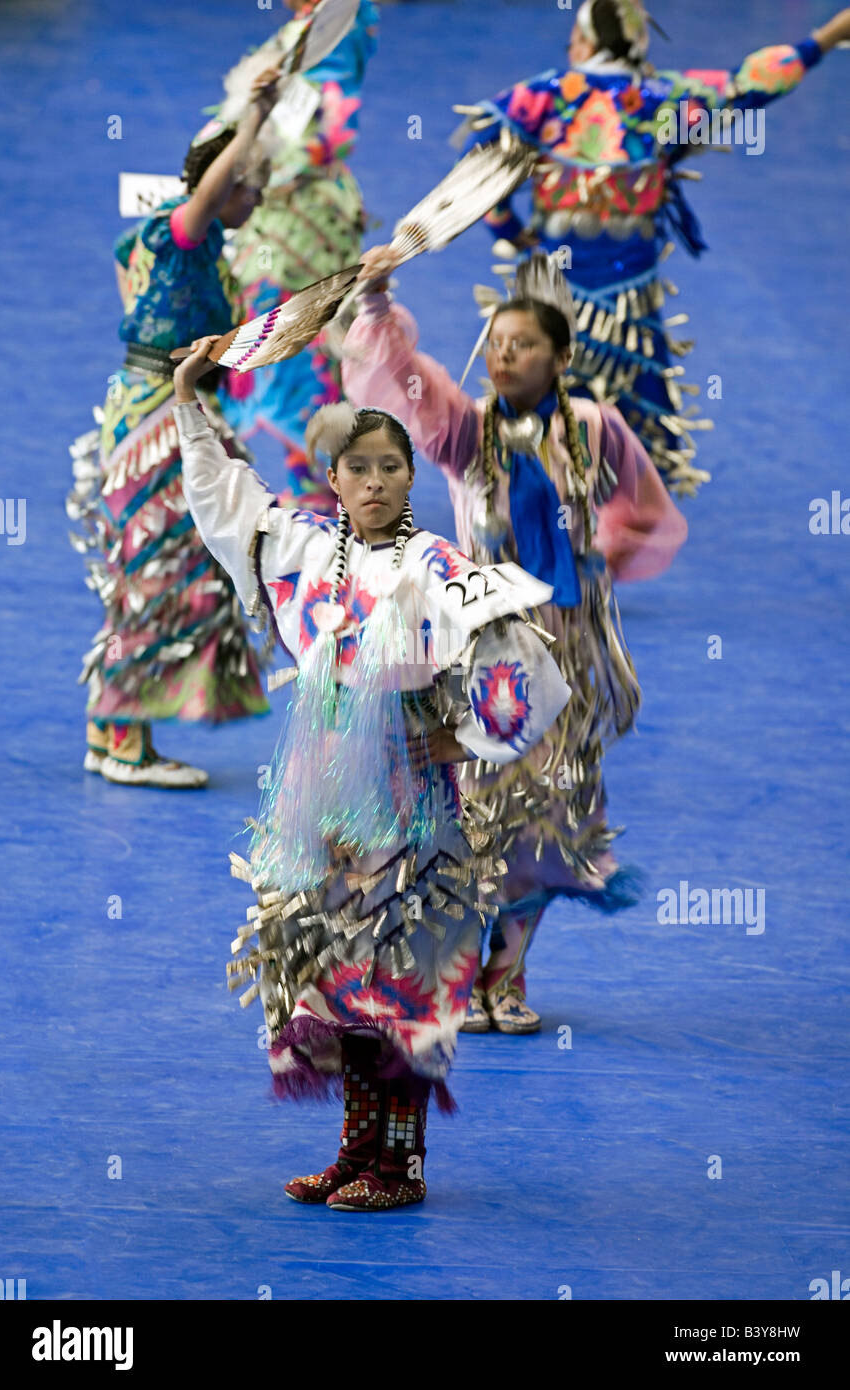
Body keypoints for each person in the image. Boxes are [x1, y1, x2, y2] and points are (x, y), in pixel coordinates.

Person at [172, 335, 571, 1210]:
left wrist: (463, 743)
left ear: (410, 480)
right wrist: (190, 401)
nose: (380, 481)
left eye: (394, 467)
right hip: (324, 809)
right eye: (362, 468)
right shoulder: (306, 550)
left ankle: (403, 1167)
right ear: (338, 482)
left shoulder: (438, 569)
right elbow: (224, 497)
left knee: (398, 982)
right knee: (339, 980)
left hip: (409, 813)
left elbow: (532, 674)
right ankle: (357, 1155)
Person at [342, 245, 687, 1033]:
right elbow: (403, 382)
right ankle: (461, 971)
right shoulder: (466, 433)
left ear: (561, 356)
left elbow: (646, 510)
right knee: (476, 815)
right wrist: (374, 306)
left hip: (565, 652)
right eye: (495, 343)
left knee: (545, 818)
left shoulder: (596, 431)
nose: (503, 355)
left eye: (522, 344)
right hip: (489, 657)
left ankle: (509, 972)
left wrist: (603, 552)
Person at [453, 1, 850, 495]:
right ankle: (635, 488)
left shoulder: (544, 95)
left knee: (540, 381)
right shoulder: (664, 100)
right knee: (636, 386)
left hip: (556, 281)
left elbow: (483, 161)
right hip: (629, 287)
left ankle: (531, 476)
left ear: (585, 42)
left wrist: (510, 230)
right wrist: (826, 37)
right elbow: (748, 85)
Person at [67, 72, 280, 787]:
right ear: (224, 186)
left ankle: (112, 728)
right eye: (251, 186)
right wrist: (253, 120)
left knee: (152, 567)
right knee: (158, 569)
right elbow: (208, 197)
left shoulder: (196, 252)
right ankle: (124, 744)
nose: (257, 198)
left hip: (164, 406)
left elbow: (132, 264)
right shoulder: (183, 234)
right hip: (156, 417)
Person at [215, 0, 380, 513]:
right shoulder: (300, 30)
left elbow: (335, 125)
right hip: (270, 208)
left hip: (300, 215)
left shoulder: (335, 26)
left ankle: (321, 481)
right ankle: (309, 473)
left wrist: (274, 168)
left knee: (300, 336)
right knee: (273, 334)